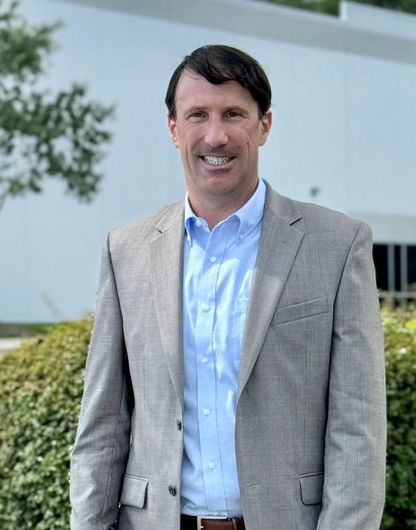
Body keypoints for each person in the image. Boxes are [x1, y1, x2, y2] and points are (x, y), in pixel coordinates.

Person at [70, 45, 386, 530]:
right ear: (174, 129)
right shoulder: (126, 251)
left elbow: (358, 429)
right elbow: (102, 427)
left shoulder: (338, 246)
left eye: (233, 113)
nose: (215, 135)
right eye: (197, 114)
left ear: (264, 125)